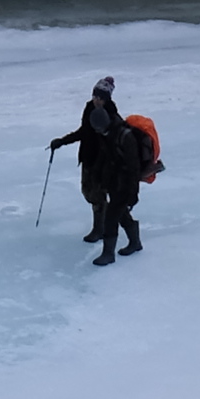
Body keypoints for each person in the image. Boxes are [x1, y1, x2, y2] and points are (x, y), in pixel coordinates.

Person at [51, 78, 145, 264]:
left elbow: (132, 167)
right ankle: (133, 242)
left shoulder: (118, 130)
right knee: (110, 207)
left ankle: (109, 250)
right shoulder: (98, 120)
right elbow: (85, 133)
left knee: (112, 213)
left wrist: (133, 192)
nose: (96, 100)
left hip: (119, 177)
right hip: (107, 171)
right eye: (94, 96)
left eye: (100, 97)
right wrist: (63, 141)